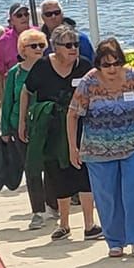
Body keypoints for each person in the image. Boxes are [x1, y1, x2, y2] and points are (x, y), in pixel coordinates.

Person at [69, 37, 134, 258]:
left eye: (116, 62)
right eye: (106, 64)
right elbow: (72, 114)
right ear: (98, 64)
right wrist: (73, 148)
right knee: (107, 196)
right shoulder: (89, 82)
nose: (112, 68)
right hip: (98, 149)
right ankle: (115, 241)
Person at [20, 23, 98, 241]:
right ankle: (64, 224)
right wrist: (22, 123)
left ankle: (89, 224)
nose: (73, 49)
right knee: (57, 174)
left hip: (80, 126)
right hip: (51, 129)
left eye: (75, 44)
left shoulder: (84, 66)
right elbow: (27, 91)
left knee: (83, 173)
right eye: (68, 45)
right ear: (55, 47)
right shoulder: (43, 66)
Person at [0, 28, 51, 222]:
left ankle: (52, 204)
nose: (38, 49)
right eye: (33, 46)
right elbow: (7, 101)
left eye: (41, 45)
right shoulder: (15, 72)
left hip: (45, 124)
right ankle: (37, 210)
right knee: (31, 168)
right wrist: (5, 129)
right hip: (19, 125)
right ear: (23, 49)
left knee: (50, 166)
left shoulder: (48, 67)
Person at [40, 0, 94, 67]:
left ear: (62, 14)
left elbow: (90, 64)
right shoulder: (39, 42)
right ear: (42, 17)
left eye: (57, 13)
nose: (53, 17)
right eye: (48, 14)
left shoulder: (80, 38)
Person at [0, 2, 31, 88]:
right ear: (12, 20)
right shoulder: (4, 41)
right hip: (14, 87)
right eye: (19, 15)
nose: (24, 17)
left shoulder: (38, 34)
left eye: (26, 14)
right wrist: (2, 98)